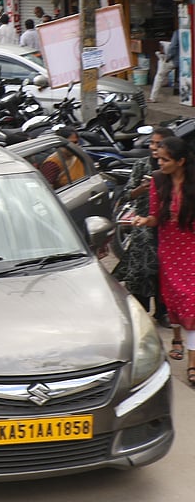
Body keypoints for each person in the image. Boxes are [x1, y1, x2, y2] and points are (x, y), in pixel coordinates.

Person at [131, 136, 195, 386]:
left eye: (165, 160)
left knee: (191, 301)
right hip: (169, 249)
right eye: (158, 158)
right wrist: (142, 221)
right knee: (175, 300)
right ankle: (177, 338)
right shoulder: (158, 181)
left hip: (191, 248)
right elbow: (155, 218)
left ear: (181, 161)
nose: (160, 163)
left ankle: (192, 362)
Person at [114, 127, 175, 332]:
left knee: (164, 271)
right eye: (152, 143)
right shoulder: (142, 165)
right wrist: (142, 188)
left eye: (159, 144)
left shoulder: (175, 168)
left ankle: (163, 312)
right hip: (144, 225)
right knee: (141, 269)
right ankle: (140, 311)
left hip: (168, 226)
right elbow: (126, 195)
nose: (154, 148)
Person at [150, 28, 181, 103]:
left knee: (159, 76)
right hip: (186, 60)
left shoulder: (177, 32)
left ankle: (153, 97)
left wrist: (168, 57)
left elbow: (173, 46)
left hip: (175, 60)